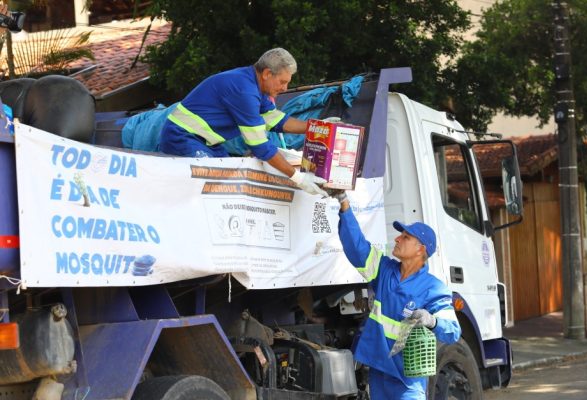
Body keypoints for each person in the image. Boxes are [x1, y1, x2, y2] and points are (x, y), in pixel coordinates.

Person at [327, 190, 461, 399]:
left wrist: (432, 320)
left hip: (408, 381)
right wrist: (344, 204)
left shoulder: (433, 288)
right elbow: (357, 247)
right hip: (379, 373)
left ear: (420, 250)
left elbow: (453, 331)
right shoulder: (384, 270)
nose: (397, 239)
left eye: (405, 237)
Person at [159, 47, 327, 197]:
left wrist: (316, 128)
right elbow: (259, 145)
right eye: (282, 82)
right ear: (267, 73)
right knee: (215, 190)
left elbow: (277, 121)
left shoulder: (254, 86)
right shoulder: (244, 91)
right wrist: (298, 178)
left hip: (205, 142)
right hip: (182, 137)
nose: (285, 88)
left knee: (230, 185)